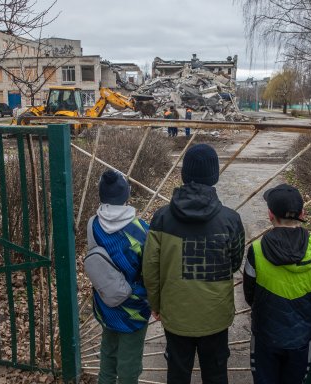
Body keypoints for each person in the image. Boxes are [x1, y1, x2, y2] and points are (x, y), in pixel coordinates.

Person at [143, 144, 245, 384]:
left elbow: (151, 269)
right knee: (216, 373)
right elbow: (234, 261)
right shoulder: (231, 219)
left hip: (176, 313)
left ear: (184, 174)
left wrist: (156, 304)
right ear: (214, 175)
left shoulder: (162, 217)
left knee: (178, 373)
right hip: (216, 314)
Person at [243, 183, 311, 384]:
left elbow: (249, 294)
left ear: (270, 215)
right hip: (301, 336)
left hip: (266, 334)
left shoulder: (257, 249)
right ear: (302, 213)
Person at [87, 170, 151, 384]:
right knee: (129, 368)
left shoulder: (93, 225)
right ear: (126, 196)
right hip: (135, 309)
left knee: (108, 359)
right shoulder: (141, 230)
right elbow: (149, 272)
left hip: (105, 304)